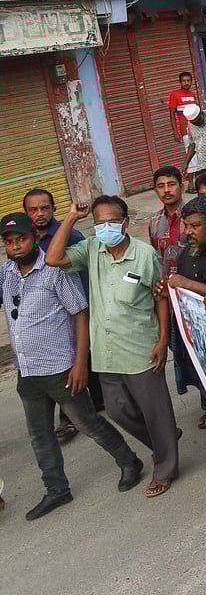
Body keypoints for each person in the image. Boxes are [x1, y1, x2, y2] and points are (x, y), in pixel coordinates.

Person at [1, 213, 143, 520]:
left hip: (61, 368)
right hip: (28, 371)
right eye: (9, 242)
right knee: (39, 435)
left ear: (35, 239)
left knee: (88, 423)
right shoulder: (6, 272)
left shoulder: (53, 271)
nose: (15, 246)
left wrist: (81, 364)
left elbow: (80, 313)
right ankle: (56, 490)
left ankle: (129, 461)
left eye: (21, 239)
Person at [45, 196, 178, 498]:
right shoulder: (91, 249)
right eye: (100, 222)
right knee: (117, 411)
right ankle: (164, 440)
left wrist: (161, 340)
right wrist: (69, 219)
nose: (106, 227)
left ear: (126, 222)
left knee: (155, 411)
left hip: (140, 346)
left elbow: (161, 297)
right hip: (105, 350)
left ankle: (165, 467)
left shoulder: (144, 255)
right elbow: (53, 259)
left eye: (112, 221)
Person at [23, 187, 101, 439]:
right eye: (33, 210)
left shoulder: (69, 234)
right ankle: (78, 411)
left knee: (79, 357)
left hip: (75, 305)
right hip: (49, 311)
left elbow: (87, 270)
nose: (40, 214)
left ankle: (73, 415)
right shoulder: (26, 240)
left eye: (45, 208)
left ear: (54, 209)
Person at [161, 196, 206, 429]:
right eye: (186, 226)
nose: (188, 232)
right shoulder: (186, 254)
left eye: (195, 226)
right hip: (197, 329)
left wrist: (184, 283)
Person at [167, 71, 198, 138]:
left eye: (188, 80)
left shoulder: (192, 94)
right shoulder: (174, 94)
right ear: (180, 82)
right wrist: (175, 131)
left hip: (197, 129)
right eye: (183, 81)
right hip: (185, 130)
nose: (186, 83)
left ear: (191, 81)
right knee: (189, 148)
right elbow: (172, 114)